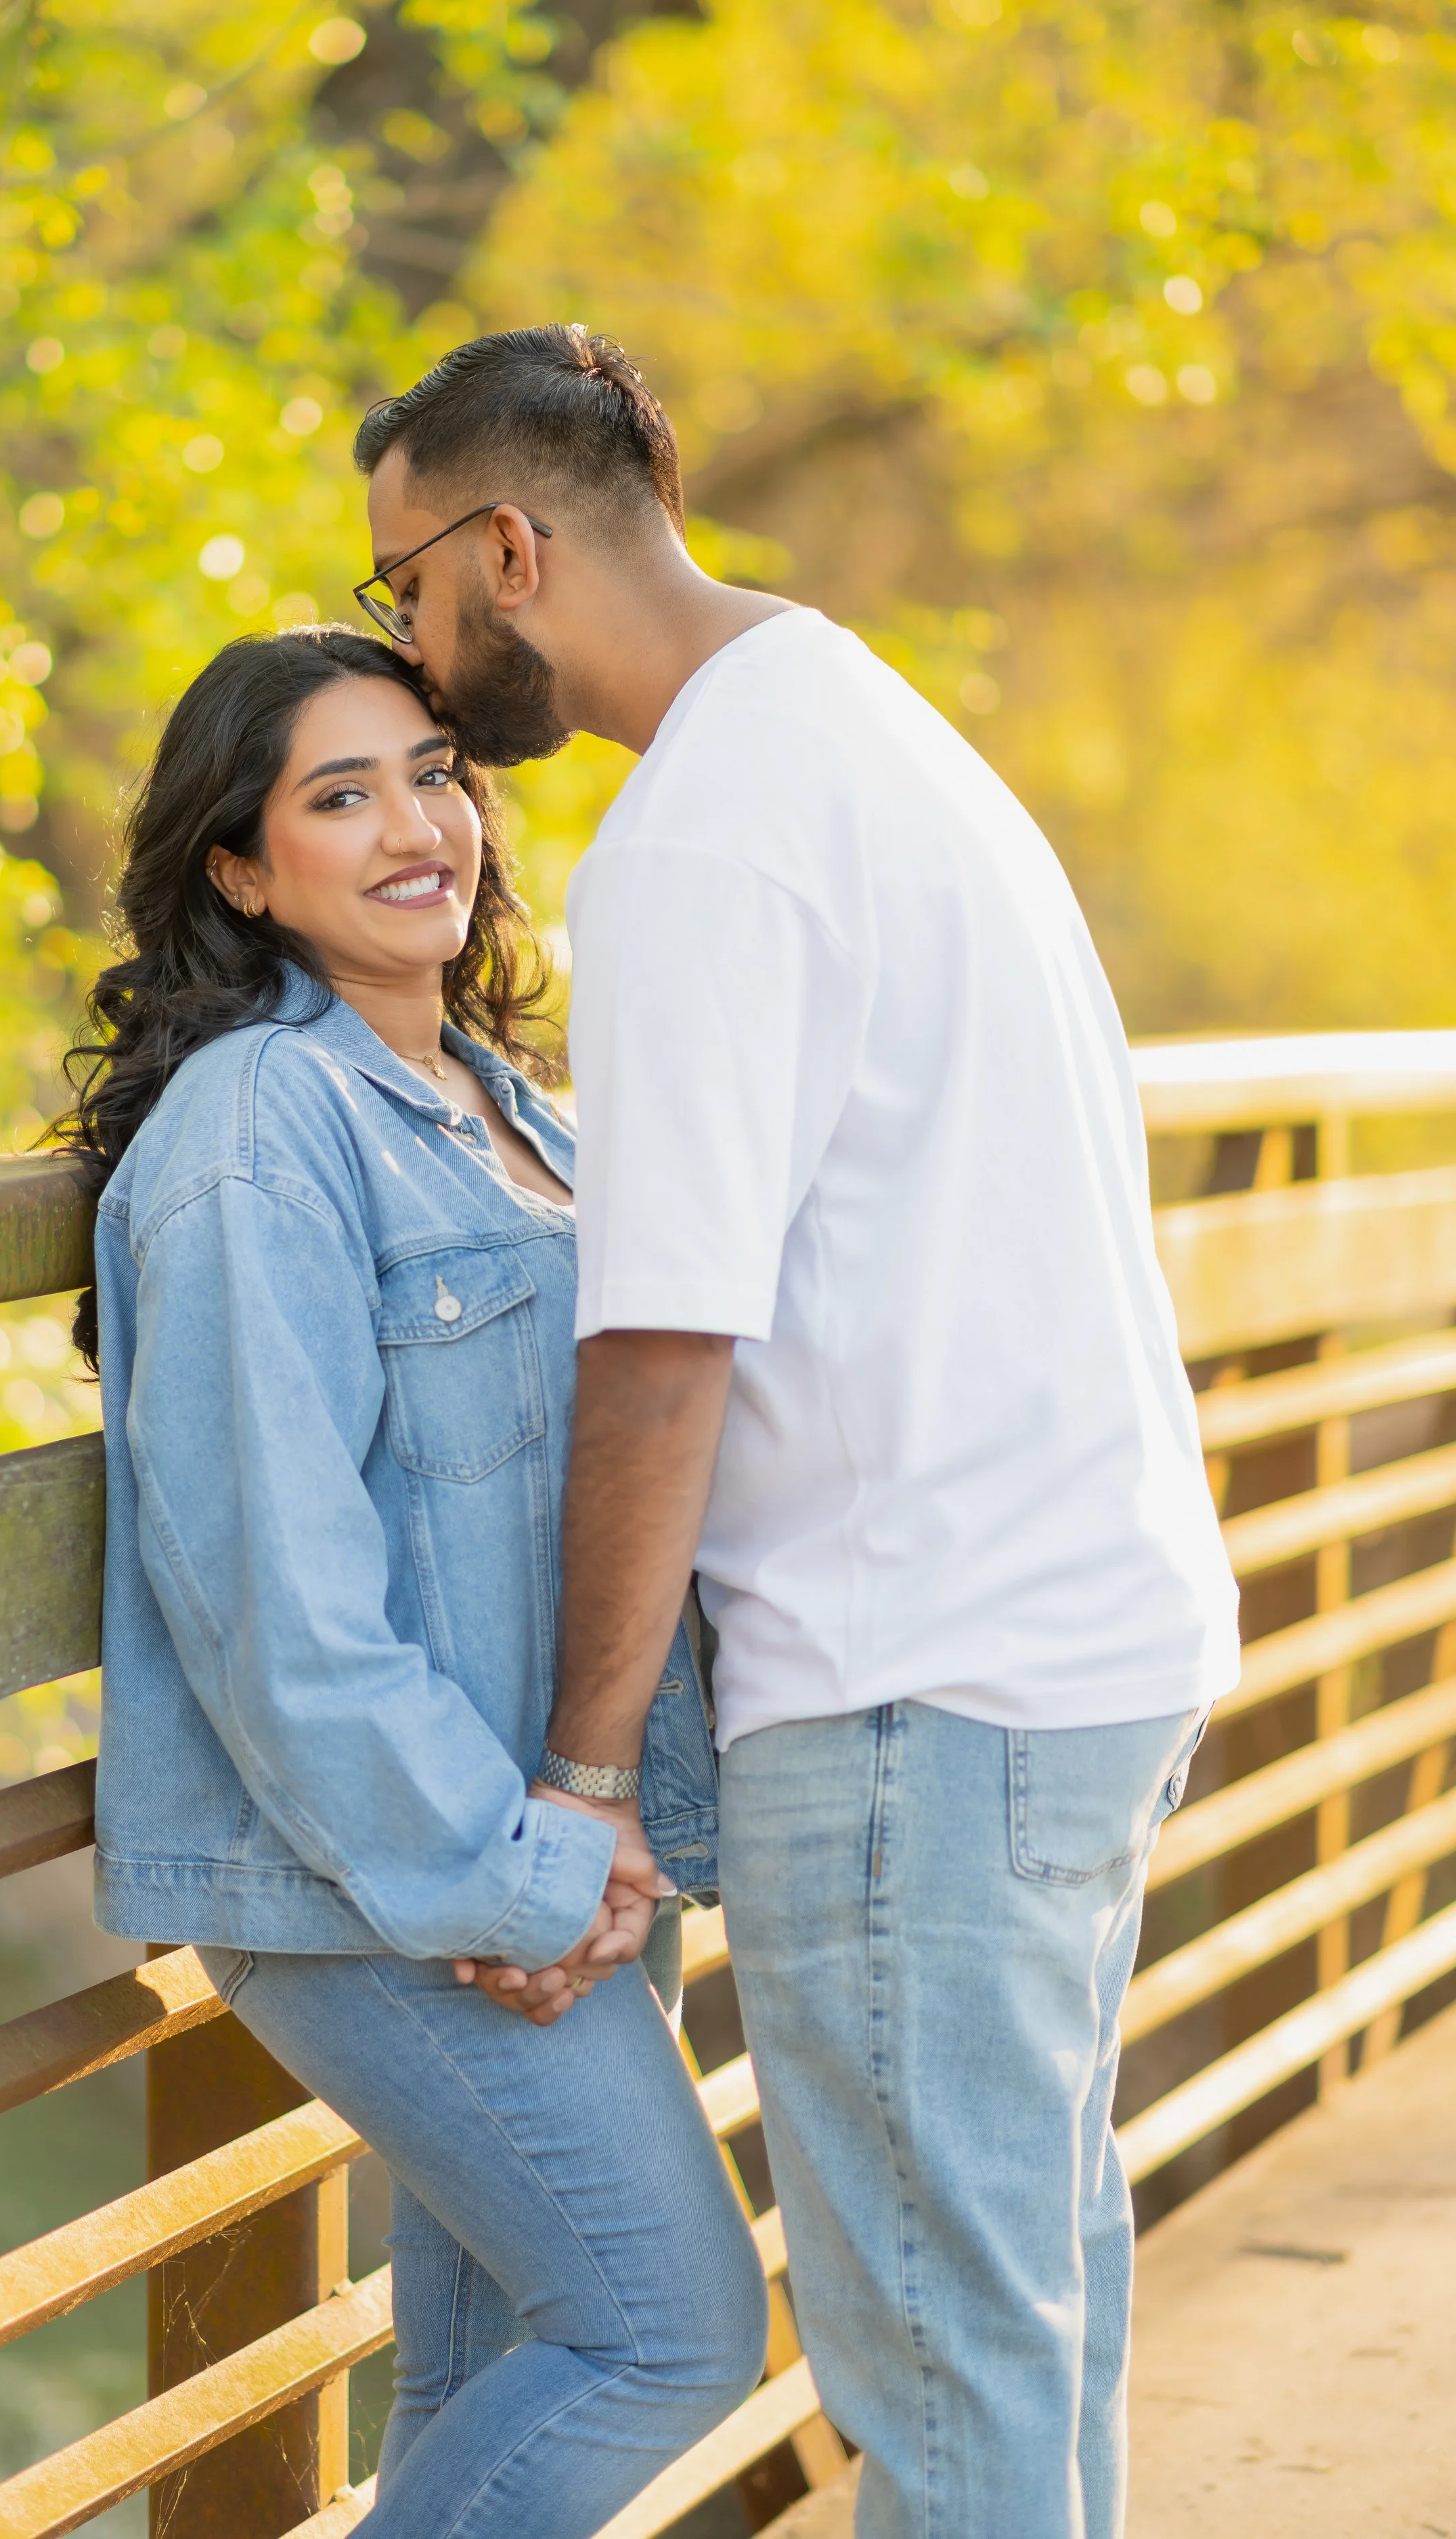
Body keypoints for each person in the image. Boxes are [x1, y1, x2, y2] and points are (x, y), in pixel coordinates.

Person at [351, 324, 1241, 2538]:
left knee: (939, 2405)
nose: (409, 641)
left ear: (509, 549)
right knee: (1013, 2331)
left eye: (403, 588)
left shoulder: (707, 838)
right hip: (1079, 1638)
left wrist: (576, 1768)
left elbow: (664, 1342)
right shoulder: (869, 725)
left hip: (916, 1694)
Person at [63, 624, 766, 2538]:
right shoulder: (246, 1142)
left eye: (435, 772)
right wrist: (531, 1862)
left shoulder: (515, 1110)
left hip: (561, 1851)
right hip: (396, 1880)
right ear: (238, 865)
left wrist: (605, 1822)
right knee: (660, 2332)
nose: (413, 826)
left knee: (488, 2380)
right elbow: (280, 1615)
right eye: (338, 793)